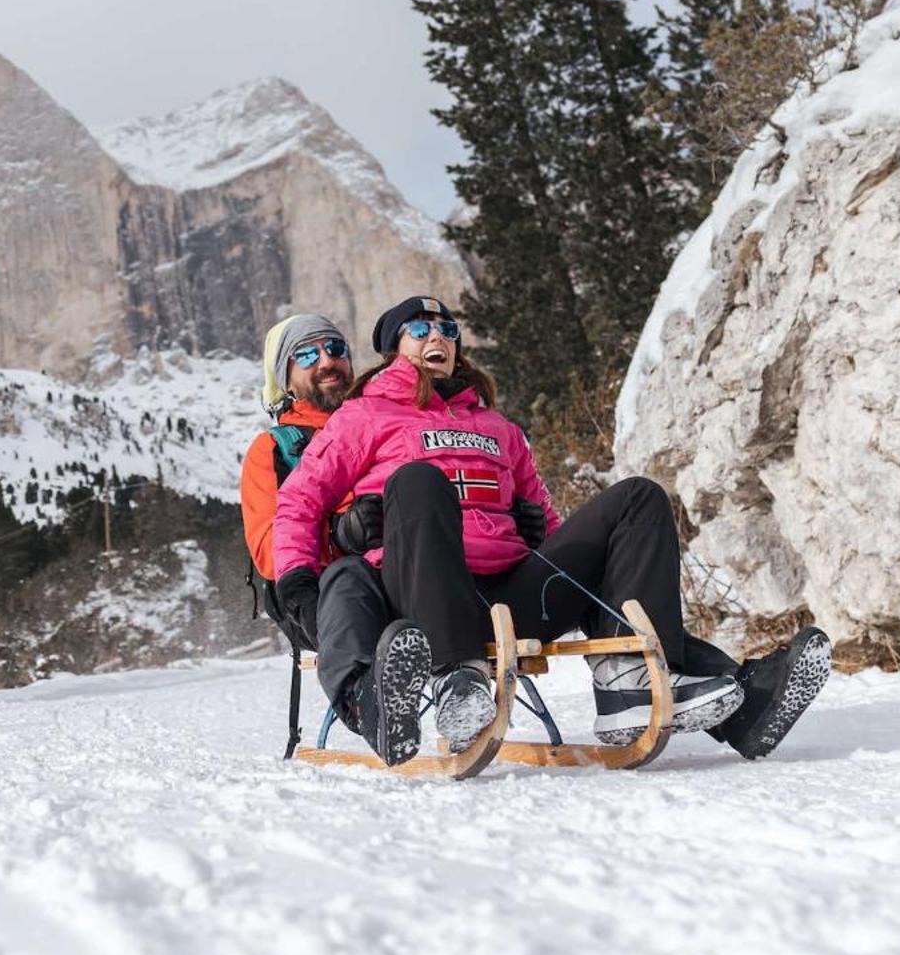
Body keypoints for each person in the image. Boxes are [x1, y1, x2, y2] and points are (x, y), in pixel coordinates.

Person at [272, 295, 766, 767]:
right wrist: (297, 580)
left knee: (638, 497)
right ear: (393, 350)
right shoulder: (363, 416)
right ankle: (457, 680)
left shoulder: (498, 427)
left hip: (514, 597)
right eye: (419, 331)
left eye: (447, 329)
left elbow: (546, 518)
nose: (435, 338)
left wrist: (540, 538)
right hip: (421, 599)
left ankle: (628, 680)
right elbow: (299, 500)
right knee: (419, 479)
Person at [240, 313, 357, 628]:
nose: (325, 361)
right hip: (314, 596)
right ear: (286, 380)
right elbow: (268, 552)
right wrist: (343, 531)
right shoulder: (273, 449)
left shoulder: (379, 428)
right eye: (306, 355)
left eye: (335, 348)